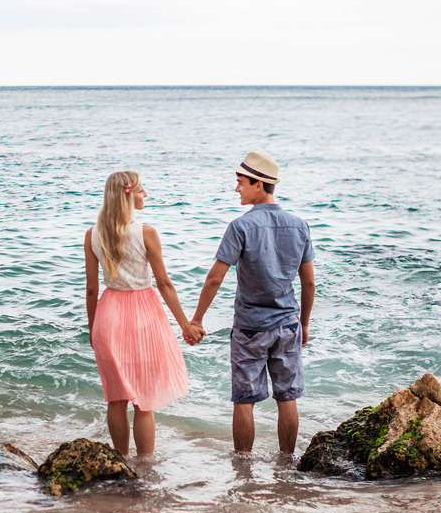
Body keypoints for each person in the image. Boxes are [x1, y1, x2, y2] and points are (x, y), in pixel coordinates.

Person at [189, 151, 315, 455]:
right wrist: (305, 324)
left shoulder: (240, 226)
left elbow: (215, 278)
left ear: (259, 185)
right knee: (288, 398)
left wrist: (197, 320)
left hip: (250, 328)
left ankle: (243, 467)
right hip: (288, 325)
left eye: (241, 182)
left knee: (244, 401)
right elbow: (309, 283)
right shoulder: (299, 226)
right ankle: (286, 463)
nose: (237, 189)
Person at [84, 171, 202, 457]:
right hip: (142, 316)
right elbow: (164, 284)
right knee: (143, 401)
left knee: (116, 398)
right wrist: (185, 324)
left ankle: (120, 461)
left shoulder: (92, 234)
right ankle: (146, 467)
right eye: (140, 190)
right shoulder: (146, 233)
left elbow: (91, 289)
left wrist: (92, 328)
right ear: (127, 195)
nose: (145, 194)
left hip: (108, 317)